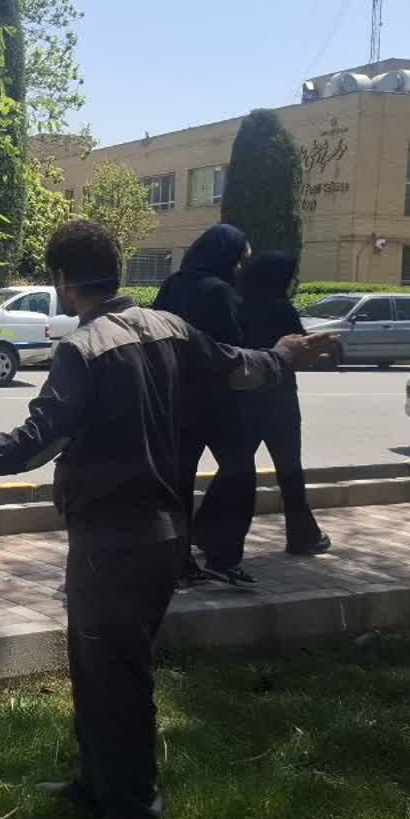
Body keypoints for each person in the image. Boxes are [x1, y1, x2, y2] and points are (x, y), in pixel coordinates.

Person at [0, 220, 332, 819]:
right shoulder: (169, 327)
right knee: (95, 666)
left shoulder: (85, 347)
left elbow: (32, 444)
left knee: (118, 679)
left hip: (114, 541)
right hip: (159, 535)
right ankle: (96, 784)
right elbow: (240, 367)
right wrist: (286, 353)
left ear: (61, 280)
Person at [152, 223, 259, 583]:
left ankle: (177, 559)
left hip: (175, 397)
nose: (240, 268)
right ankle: (221, 553)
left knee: (179, 480)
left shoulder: (172, 284)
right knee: (240, 470)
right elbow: (235, 346)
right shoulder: (220, 292)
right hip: (218, 399)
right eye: (239, 260)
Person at [239, 252, 332, 556]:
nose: (295, 281)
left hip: (245, 396)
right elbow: (299, 351)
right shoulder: (281, 308)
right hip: (279, 399)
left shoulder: (240, 305)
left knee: (236, 466)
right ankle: (302, 534)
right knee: (289, 469)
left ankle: (208, 530)